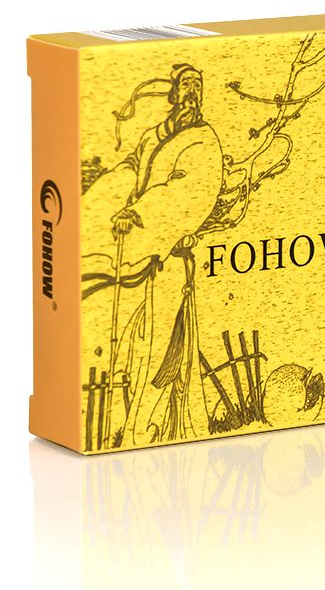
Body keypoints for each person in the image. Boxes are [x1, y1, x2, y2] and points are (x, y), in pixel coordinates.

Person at [81, 64, 223, 447]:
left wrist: (139, 212)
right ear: (173, 95)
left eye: (196, 87)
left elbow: (186, 193)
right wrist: (98, 201)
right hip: (135, 257)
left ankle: (145, 430)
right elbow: (128, 172)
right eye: (184, 86)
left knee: (159, 350)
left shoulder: (203, 141)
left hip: (171, 260)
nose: (190, 94)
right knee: (129, 345)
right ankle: (124, 428)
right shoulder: (152, 138)